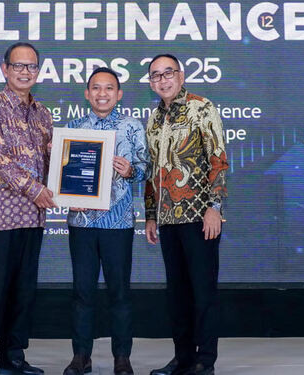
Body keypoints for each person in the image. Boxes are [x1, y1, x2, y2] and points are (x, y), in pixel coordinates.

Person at [0, 42, 57, 375]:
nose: (25, 72)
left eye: (31, 66)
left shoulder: (43, 113)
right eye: (18, 65)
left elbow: (51, 162)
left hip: (33, 216)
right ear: (5, 69)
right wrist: (35, 190)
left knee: (23, 290)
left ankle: (13, 355)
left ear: (38, 71)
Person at [144, 54, 229, 375]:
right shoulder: (153, 119)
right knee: (177, 294)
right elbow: (152, 171)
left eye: (168, 73)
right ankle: (182, 358)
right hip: (167, 219)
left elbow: (218, 160)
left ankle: (205, 361)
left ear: (181, 76)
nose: (162, 80)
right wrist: (150, 214)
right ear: (151, 83)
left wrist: (214, 207)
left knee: (202, 292)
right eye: (156, 75)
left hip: (199, 217)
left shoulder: (201, 107)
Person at [62, 67, 150, 375]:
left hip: (119, 223)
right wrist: (64, 188)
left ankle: (122, 357)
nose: (103, 93)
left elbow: (145, 168)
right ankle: (80, 356)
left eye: (109, 88)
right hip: (82, 222)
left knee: (120, 293)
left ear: (119, 94)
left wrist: (131, 171)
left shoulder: (132, 127)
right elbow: (64, 173)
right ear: (87, 94)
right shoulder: (73, 127)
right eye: (96, 88)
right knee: (82, 292)